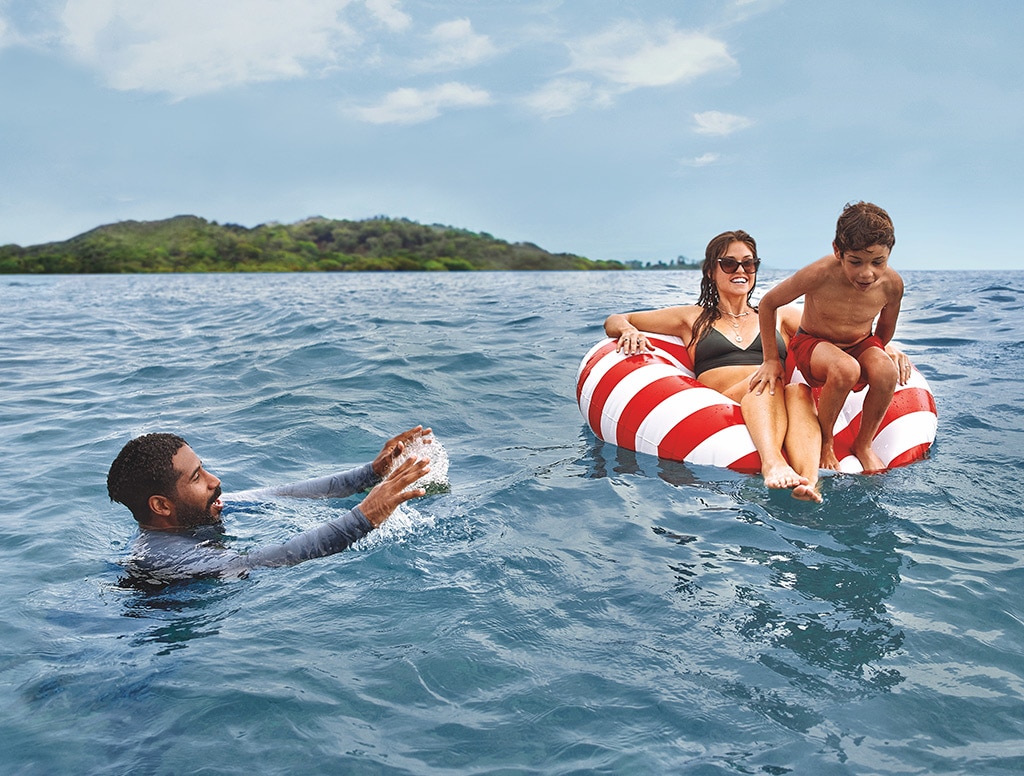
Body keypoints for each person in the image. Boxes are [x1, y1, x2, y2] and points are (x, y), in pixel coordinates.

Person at [604, 230, 823, 502]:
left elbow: (836, 335)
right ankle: (773, 462)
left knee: (799, 391)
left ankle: (810, 482)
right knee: (766, 377)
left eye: (749, 263)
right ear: (711, 271)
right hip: (723, 403)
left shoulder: (779, 315)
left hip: (775, 396)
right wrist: (628, 330)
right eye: (729, 264)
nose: (740, 270)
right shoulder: (692, 317)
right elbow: (616, 318)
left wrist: (883, 348)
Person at [108, 426, 433, 586]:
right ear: (161, 506)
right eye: (196, 477)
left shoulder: (202, 509)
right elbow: (266, 561)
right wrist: (364, 517)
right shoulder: (162, 556)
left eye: (204, 467)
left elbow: (286, 493)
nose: (214, 480)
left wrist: (371, 472)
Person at [750, 202, 912, 473]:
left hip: (859, 343)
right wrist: (770, 360)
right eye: (856, 262)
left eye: (878, 262)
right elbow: (768, 303)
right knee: (845, 367)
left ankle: (864, 444)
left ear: (889, 254)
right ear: (838, 251)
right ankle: (826, 441)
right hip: (814, 344)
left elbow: (884, 329)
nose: (867, 273)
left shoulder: (892, 285)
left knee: (885, 370)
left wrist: (877, 355)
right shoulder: (819, 274)